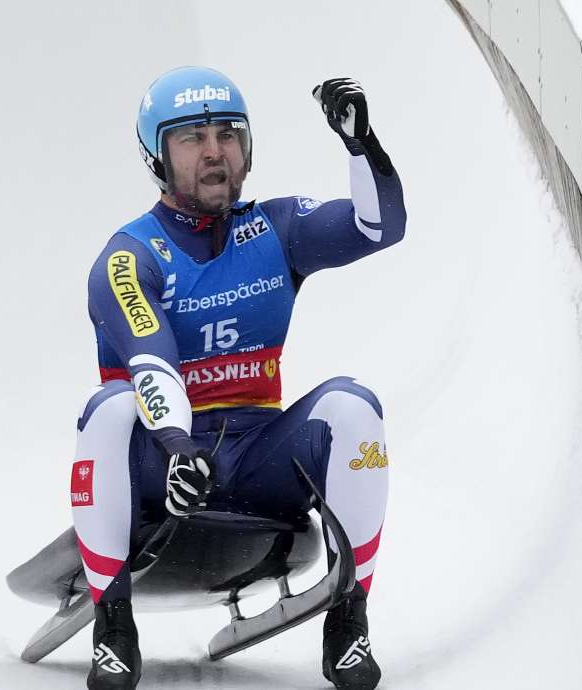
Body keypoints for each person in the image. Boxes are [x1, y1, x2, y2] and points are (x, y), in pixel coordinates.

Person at [73, 65, 405, 690]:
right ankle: (112, 627)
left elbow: (378, 227)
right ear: (158, 156)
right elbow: (151, 360)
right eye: (191, 138)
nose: (214, 152)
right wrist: (176, 448)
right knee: (111, 407)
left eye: (228, 134)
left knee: (354, 406)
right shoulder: (129, 256)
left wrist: (363, 145)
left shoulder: (275, 229)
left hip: (257, 456)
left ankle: (350, 621)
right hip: (161, 466)